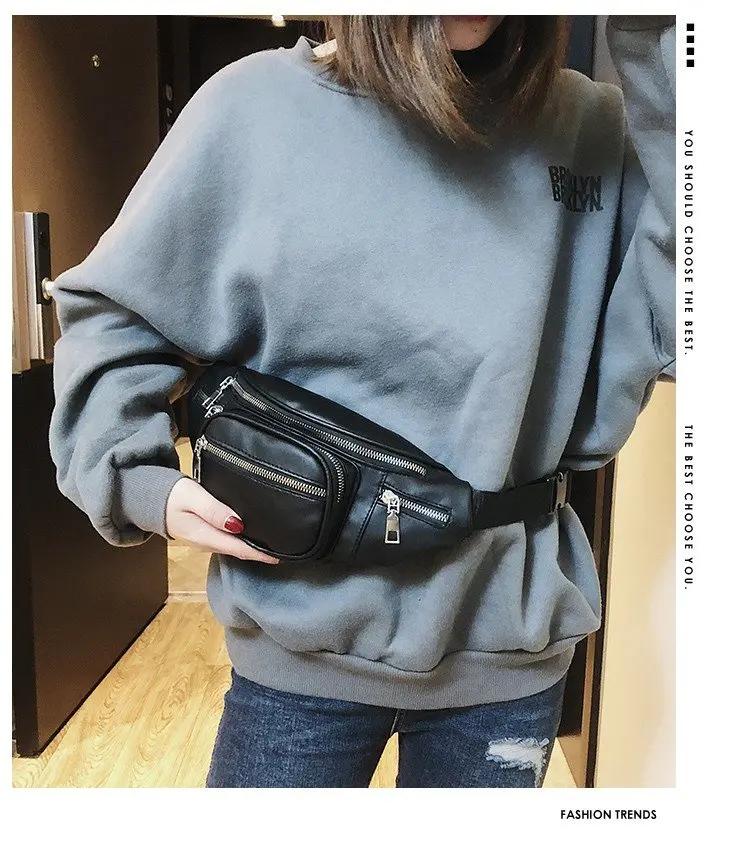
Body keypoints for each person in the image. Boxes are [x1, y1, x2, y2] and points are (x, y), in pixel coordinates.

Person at [48, 14, 676, 788]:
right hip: (299, 654)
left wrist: (659, 30)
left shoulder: (591, 129)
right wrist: (135, 477)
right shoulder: (255, 109)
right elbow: (114, 310)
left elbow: (685, 296)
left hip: (508, 654)